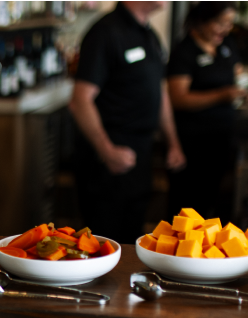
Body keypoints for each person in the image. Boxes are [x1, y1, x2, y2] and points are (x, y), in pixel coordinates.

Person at [69, 1, 186, 244]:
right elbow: (80, 100)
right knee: (103, 243)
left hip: (141, 155)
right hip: (108, 159)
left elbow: (160, 94)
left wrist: (173, 142)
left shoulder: (150, 35)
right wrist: (107, 151)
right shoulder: (105, 32)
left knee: (132, 240)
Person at [167, 1, 242, 220]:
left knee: (213, 201)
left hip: (221, 137)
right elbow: (178, 98)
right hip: (193, 142)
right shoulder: (185, 51)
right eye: (220, 23)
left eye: (229, 23)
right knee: (188, 205)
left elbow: (238, 73)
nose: (225, 29)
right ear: (202, 21)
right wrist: (221, 95)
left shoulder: (227, 45)